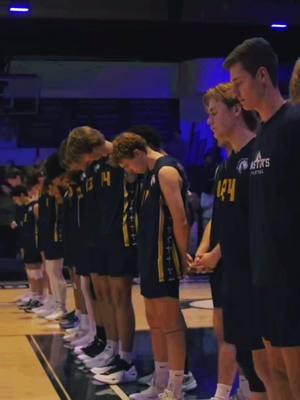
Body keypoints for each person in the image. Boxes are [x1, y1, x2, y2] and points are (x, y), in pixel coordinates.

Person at [224, 37, 300, 400]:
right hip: (265, 277)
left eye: (239, 83)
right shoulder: (262, 135)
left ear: (264, 76)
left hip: (293, 278)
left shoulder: (294, 124)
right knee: (274, 375)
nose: (235, 92)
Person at [112, 132, 189, 400]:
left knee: (170, 323)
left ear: (138, 153)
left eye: (127, 165)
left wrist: (183, 255)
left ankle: (176, 387)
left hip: (164, 257)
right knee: (155, 322)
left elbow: (181, 219)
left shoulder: (166, 171)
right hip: (149, 258)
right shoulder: (148, 175)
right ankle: (160, 382)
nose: (129, 171)